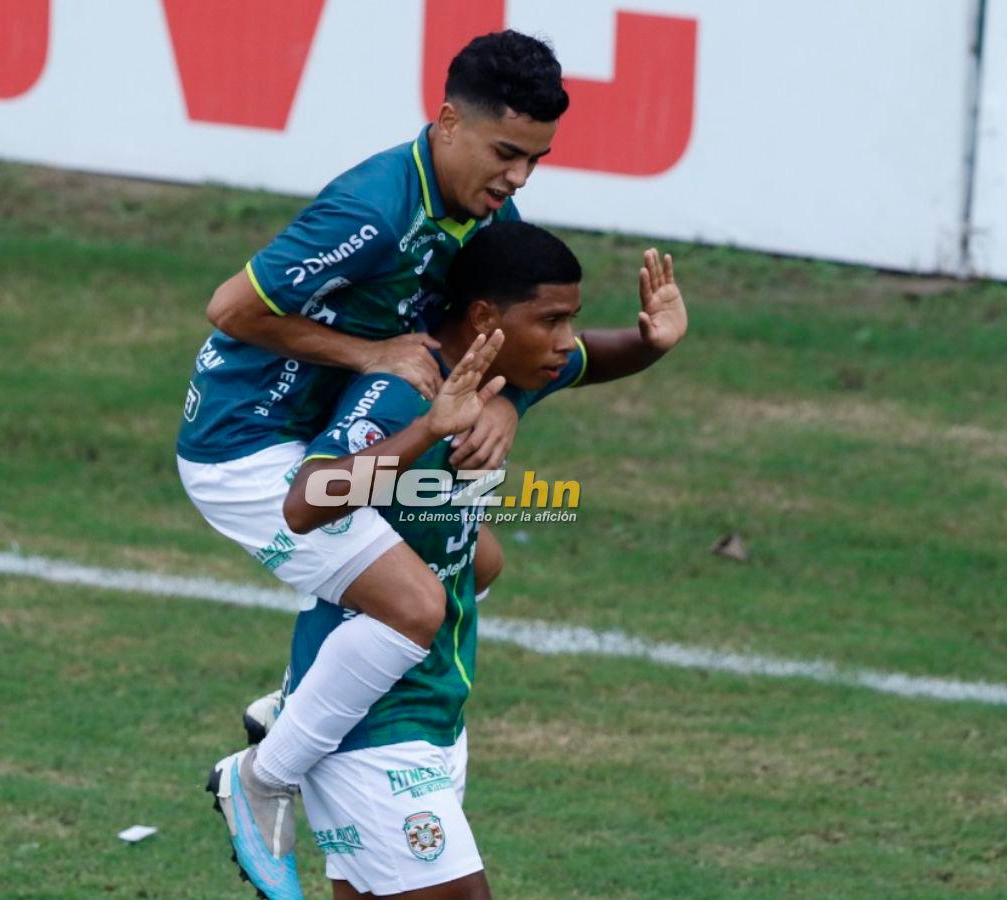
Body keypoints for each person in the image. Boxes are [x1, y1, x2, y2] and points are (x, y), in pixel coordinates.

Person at [179, 31, 569, 893]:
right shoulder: (374, 209)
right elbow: (229, 307)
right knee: (413, 602)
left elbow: (505, 325)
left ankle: (299, 705)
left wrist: (505, 399)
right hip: (247, 447)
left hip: (328, 432)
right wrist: (370, 356)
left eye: (535, 159)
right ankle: (265, 777)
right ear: (447, 123)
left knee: (477, 558)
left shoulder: (479, 211)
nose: (518, 179)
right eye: (506, 153)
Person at [210, 222, 689, 898]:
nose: (564, 340)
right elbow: (307, 501)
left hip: (435, 708)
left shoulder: (509, 371)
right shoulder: (407, 390)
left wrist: (650, 342)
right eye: (550, 320)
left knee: (484, 560)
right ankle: (270, 762)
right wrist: (429, 429)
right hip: (375, 722)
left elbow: (592, 359)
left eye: (571, 320)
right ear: (486, 316)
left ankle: (288, 724)